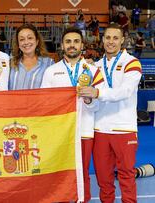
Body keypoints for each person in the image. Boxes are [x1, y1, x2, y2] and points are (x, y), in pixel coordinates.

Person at [78, 23, 142, 203]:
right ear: (102, 39)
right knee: (104, 179)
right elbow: (89, 98)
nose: (111, 42)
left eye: (115, 38)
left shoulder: (131, 62)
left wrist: (97, 93)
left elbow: (125, 91)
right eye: (107, 37)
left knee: (127, 177)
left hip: (124, 128)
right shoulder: (94, 67)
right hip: (99, 129)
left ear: (123, 40)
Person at [41, 27, 100, 203]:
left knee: (82, 172)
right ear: (62, 45)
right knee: (61, 172)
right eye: (68, 42)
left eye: (75, 41)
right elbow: (45, 102)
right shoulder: (51, 71)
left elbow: (98, 104)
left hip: (84, 129)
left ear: (82, 45)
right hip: (60, 133)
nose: (72, 45)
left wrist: (89, 100)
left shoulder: (93, 70)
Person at [9, 24, 54, 90]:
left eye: (30, 38)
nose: (26, 42)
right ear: (18, 44)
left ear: (37, 41)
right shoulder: (10, 64)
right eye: (22, 39)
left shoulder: (49, 64)